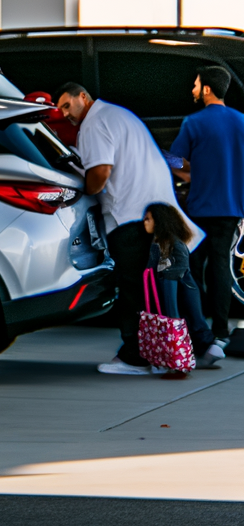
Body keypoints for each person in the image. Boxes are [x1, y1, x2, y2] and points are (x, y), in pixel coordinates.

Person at [56, 83, 197, 376]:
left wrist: (84, 188)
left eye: (67, 105)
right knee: (165, 285)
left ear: (83, 97)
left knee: (132, 288)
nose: (65, 113)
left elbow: (100, 173)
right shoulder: (120, 114)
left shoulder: (94, 123)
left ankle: (136, 356)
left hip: (128, 217)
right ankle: (175, 351)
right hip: (157, 211)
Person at [170, 65, 244, 356]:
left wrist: (188, 170)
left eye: (196, 84)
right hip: (232, 207)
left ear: (208, 89)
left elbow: (175, 161)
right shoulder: (242, 121)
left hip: (199, 208)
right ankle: (221, 331)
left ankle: (195, 329)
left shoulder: (193, 122)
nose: (193, 90)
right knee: (221, 268)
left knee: (192, 269)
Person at [143, 203, 218, 368]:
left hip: (178, 293)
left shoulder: (170, 245)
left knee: (187, 321)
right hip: (183, 292)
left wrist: (171, 317)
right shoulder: (163, 243)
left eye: (148, 219)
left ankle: (182, 358)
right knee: (193, 321)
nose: (144, 222)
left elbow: (171, 277)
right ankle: (206, 350)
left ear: (160, 221)